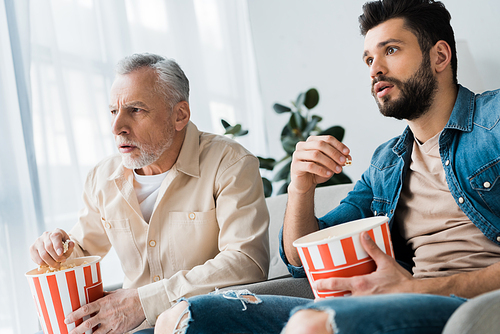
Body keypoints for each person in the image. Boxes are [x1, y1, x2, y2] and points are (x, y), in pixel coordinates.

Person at [153, 0, 500, 333]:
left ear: (440, 56)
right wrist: (301, 187)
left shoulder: (494, 119)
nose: (375, 69)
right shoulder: (387, 163)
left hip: (472, 308)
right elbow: (301, 259)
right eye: (368, 58)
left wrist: (418, 289)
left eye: (391, 50)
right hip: (393, 304)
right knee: (182, 316)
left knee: (313, 325)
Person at [29, 53, 270, 333]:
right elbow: (80, 250)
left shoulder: (230, 163)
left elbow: (247, 262)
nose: (116, 127)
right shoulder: (102, 178)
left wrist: (144, 302)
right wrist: (55, 251)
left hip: (202, 322)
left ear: (180, 115)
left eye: (135, 110)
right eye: (113, 111)